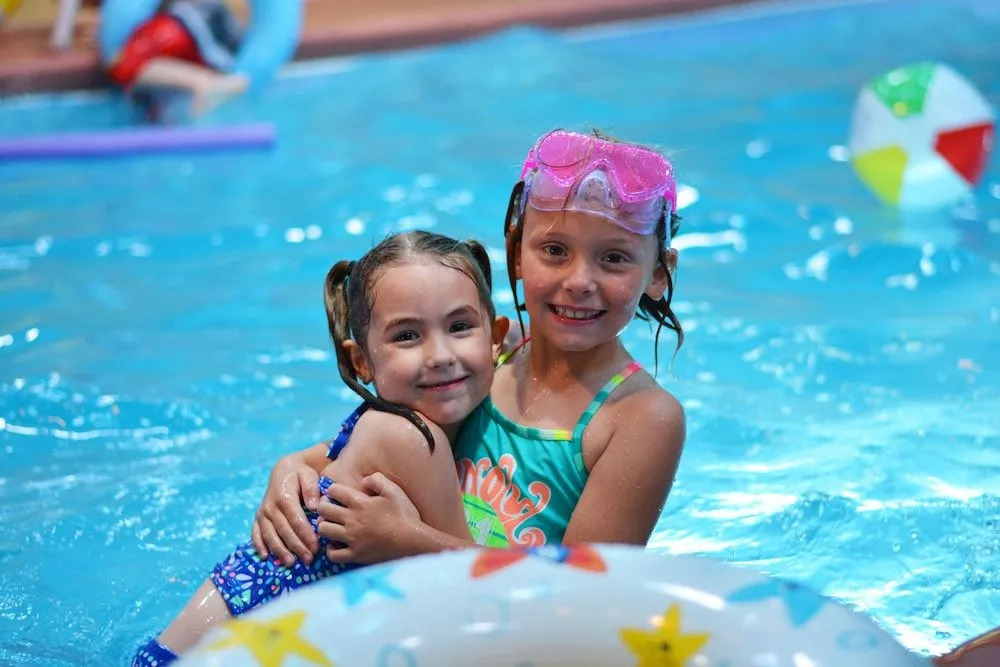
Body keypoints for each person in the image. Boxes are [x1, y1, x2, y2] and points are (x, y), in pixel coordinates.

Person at [252, 128, 686, 568]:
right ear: (516, 253)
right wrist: (293, 467)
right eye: (555, 250)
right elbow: (391, 440)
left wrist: (409, 540)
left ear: (658, 272)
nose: (578, 282)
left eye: (614, 258)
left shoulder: (641, 417)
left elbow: (584, 584)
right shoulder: (488, 352)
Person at [132, 230, 509, 666]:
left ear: (495, 338)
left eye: (460, 327)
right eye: (407, 336)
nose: (440, 355)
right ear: (360, 361)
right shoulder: (412, 437)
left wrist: (290, 462)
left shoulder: (378, 421)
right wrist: (404, 537)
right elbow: (475, 588)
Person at [104, 0, 249, 119]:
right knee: (135, 71)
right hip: (188, 39)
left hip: (172, 32)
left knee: (123, 68)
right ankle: (207, 83)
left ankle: (205, 83)